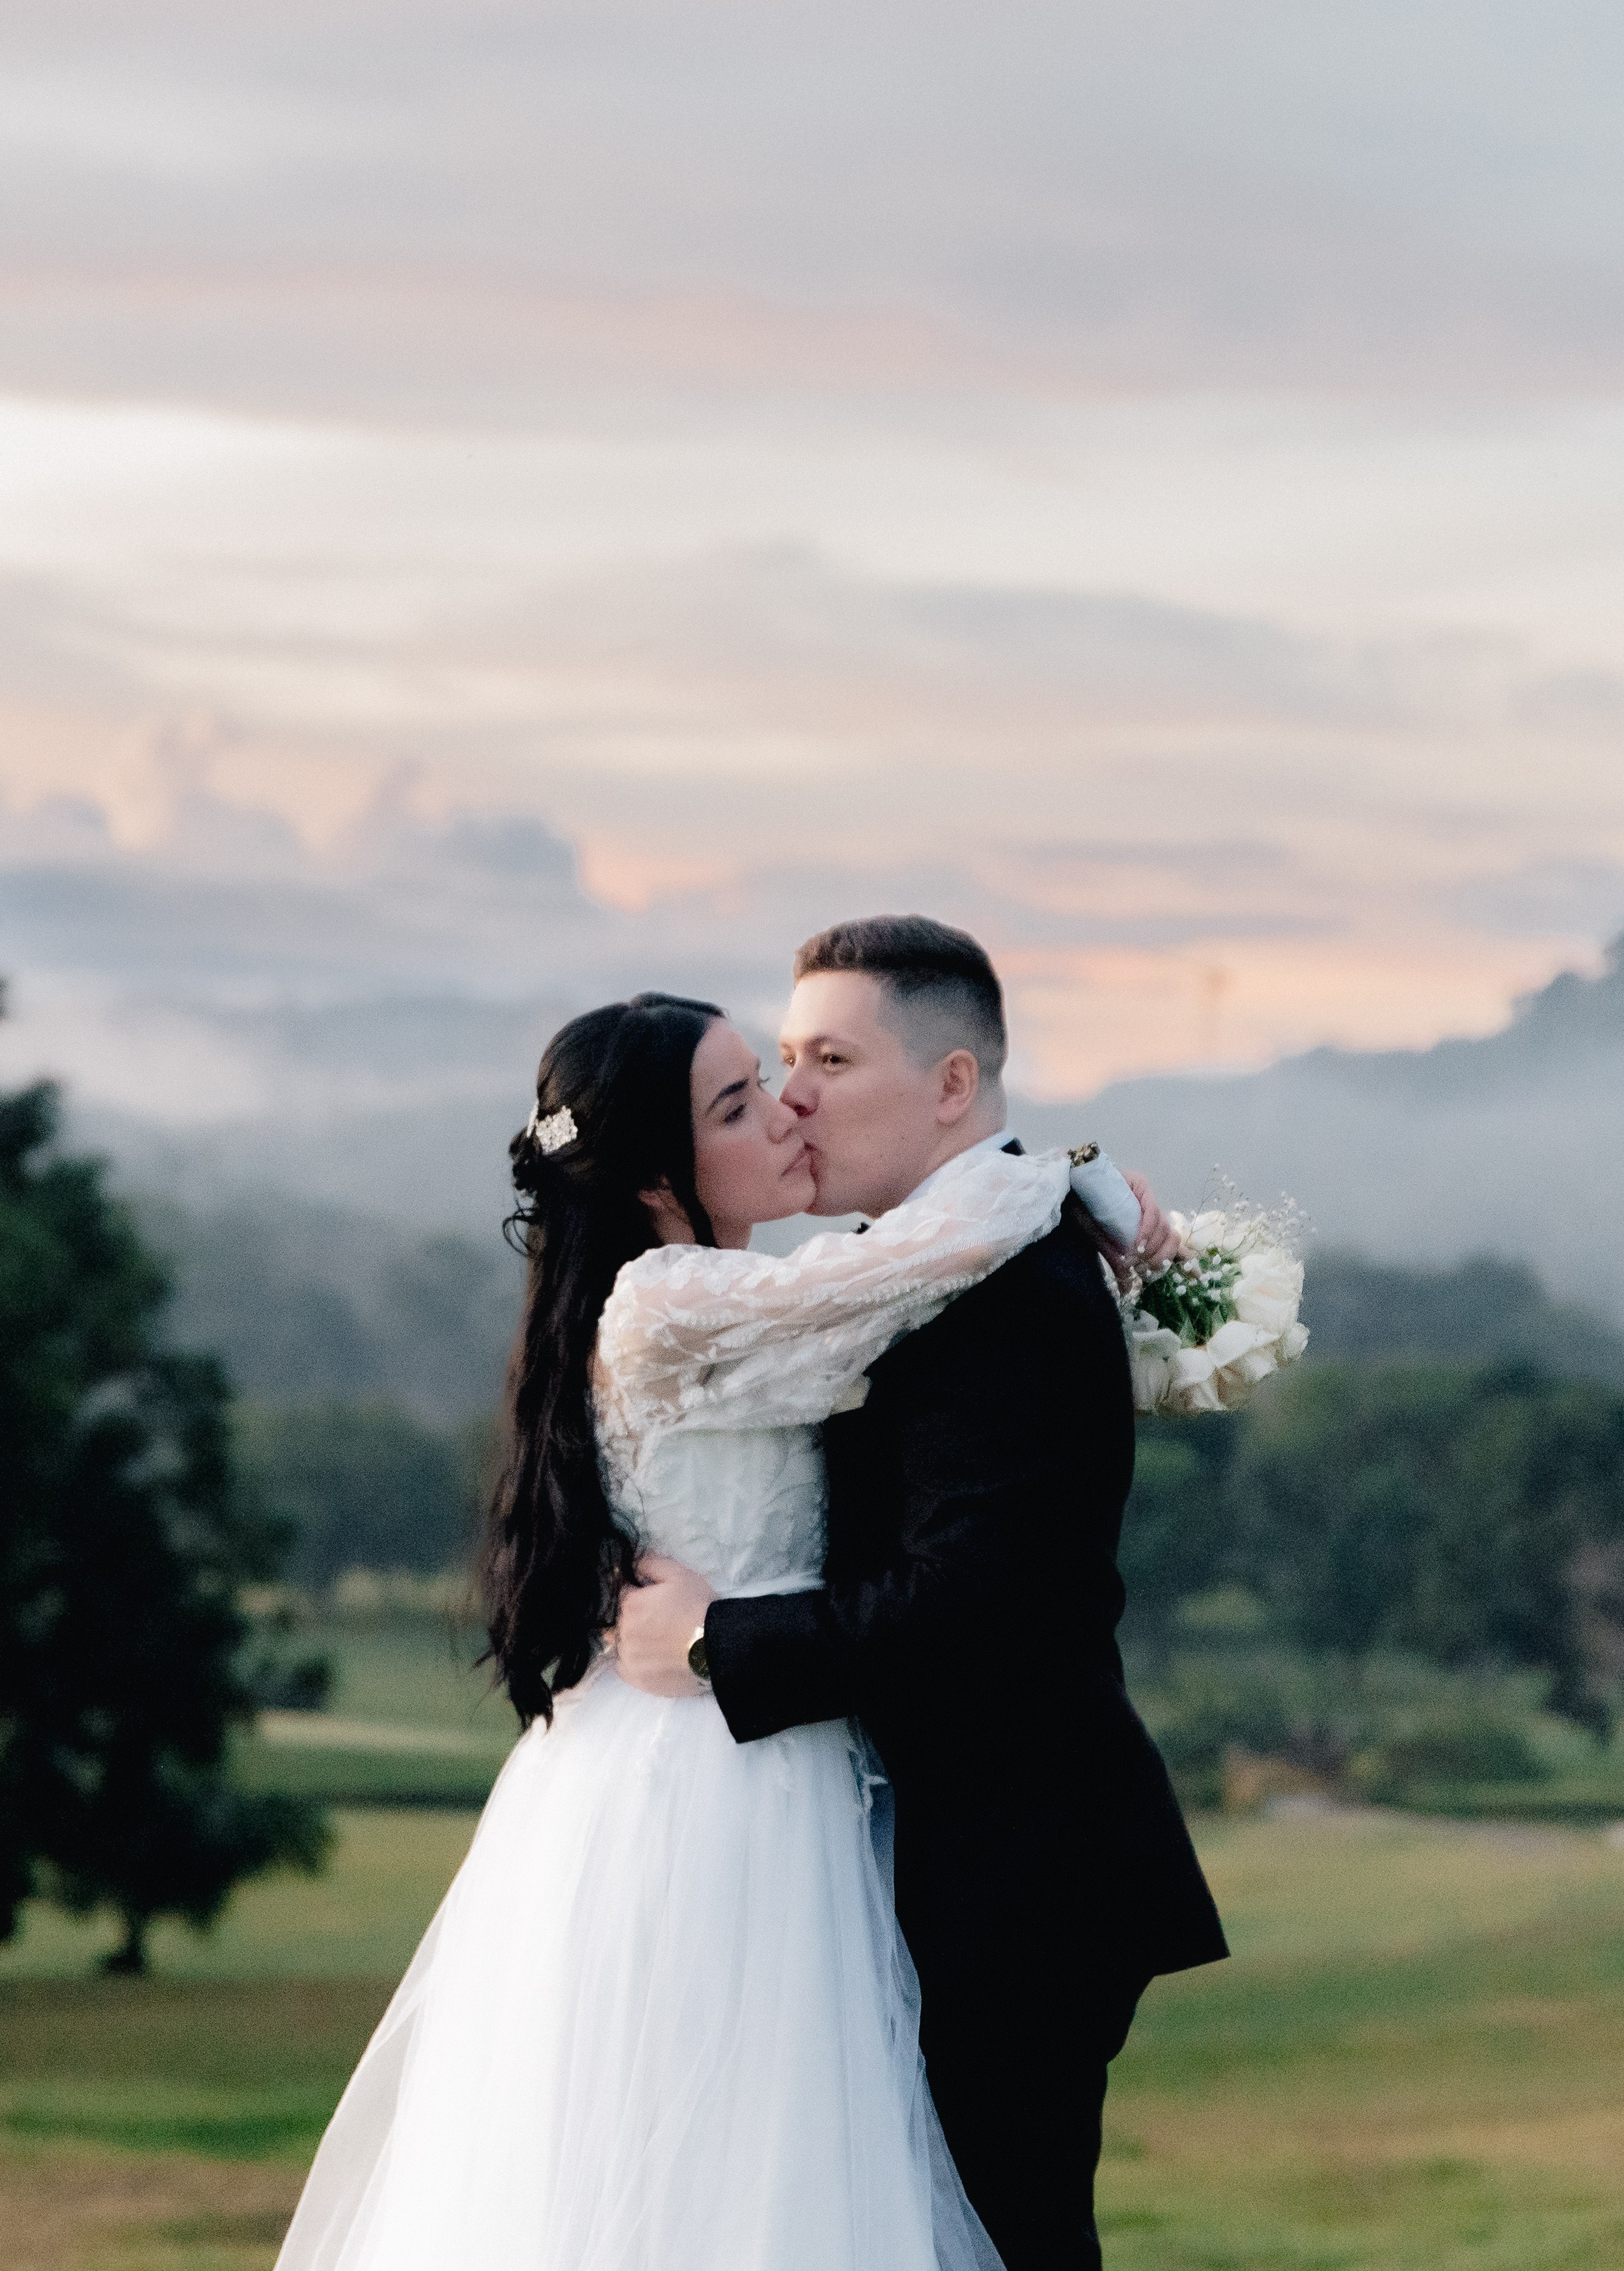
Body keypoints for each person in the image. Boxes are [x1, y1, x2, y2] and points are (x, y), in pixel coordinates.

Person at [274, 985, 1157, 2271]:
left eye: (781, 1076)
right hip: (705, 1781)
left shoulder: (719, 1295)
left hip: (761, 1751)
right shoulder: (667, 1310)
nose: (786, 1109)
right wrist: (1070, 1181)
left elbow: (886, 1321)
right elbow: (909, 1268)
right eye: (739, 1101)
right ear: (651, 1176)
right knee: (704, 2152)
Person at [617, 916, 1228, 2271]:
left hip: (1013, 1872)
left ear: (950, 1085)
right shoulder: (928, 1265)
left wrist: (718, 1642)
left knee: (999, 2238)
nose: (791, 1095)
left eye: (829, 1057)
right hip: (948, 1857)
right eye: (781, 1060)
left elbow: (977, 1604)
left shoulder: (1002, 1290)